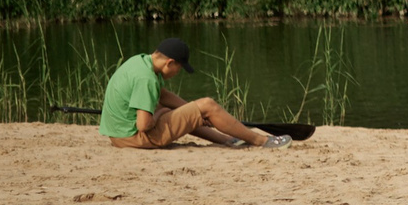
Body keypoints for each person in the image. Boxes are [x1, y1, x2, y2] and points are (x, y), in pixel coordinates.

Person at [98, 37, 288, 150]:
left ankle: (229, 139)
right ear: (169, 62)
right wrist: (162, 113)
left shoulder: (139, 62)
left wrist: (191, 110)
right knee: (207, 104)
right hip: (134, 138)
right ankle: (261, 140)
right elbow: (144, 124)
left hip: (118, 136)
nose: (177, 73)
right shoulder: (145, 78)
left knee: (195, 110)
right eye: (179, 68)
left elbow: (163, 96)